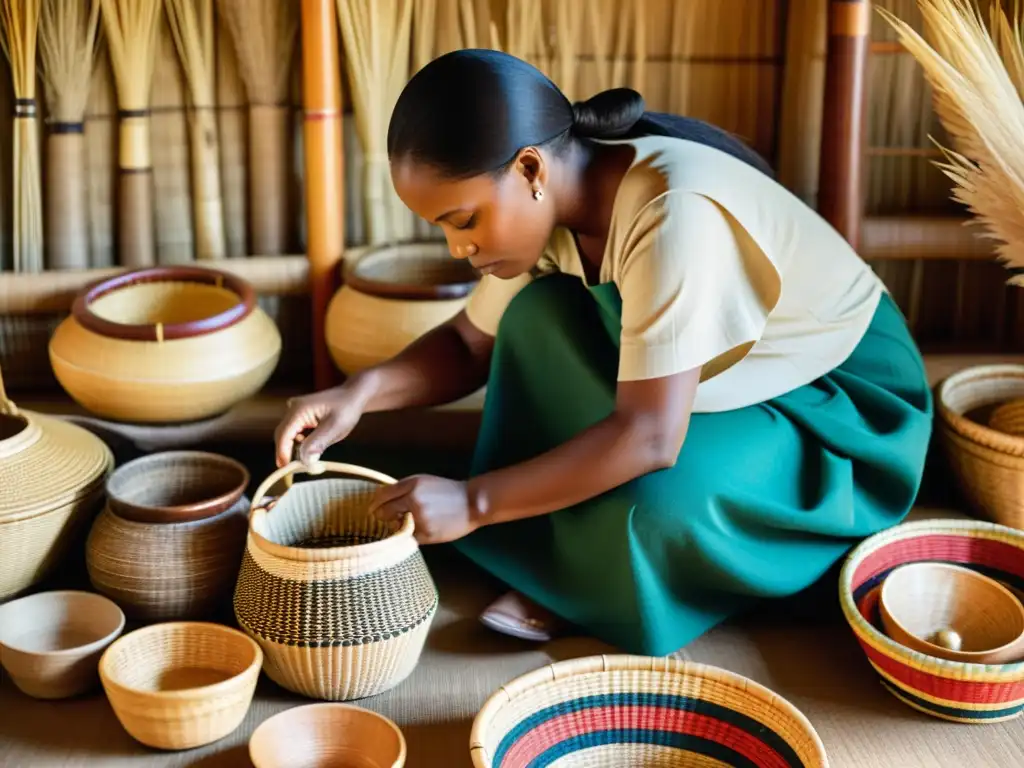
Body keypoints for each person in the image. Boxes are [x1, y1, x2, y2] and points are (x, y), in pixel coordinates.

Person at [274, 49, 933, 656]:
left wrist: (475, 502)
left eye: (464, 220)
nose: (457, 249)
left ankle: (589, 574)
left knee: (662, 501)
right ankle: (575, 554)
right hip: (702, 392)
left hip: (831, 410)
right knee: (535, 319)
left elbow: (649, 436)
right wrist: (355, 395)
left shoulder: (675, 211)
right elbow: (464, 343)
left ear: (530, 168)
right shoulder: (555, 213)